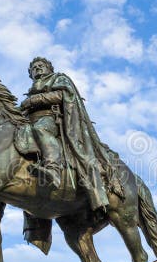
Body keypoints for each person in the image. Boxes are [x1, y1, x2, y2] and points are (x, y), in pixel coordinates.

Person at [20, 57, 122, 211]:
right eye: (34, 68)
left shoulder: (58, 78)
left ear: (49, 68)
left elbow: (63, 95)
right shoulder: (31, 90)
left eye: (41, 66)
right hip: (30, 121)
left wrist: (34, 100)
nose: (37, 69)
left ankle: (53, 169)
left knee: (40, 129)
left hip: (51, 120)